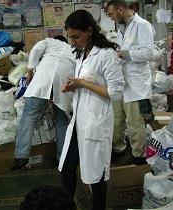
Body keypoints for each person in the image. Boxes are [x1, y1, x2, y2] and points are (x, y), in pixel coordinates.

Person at [58, 9, 125, 210]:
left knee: (96, 176)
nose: (72, 41)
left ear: (89, 31)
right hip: (79, 121)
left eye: (76, 37)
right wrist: (74, 86)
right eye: (70, 37)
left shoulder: (106, 55)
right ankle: (65, 206)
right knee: (67, 168)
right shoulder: (82, 54)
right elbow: (85, 82)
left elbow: (115, 93)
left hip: (96, 122)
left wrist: (82, 83)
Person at [11, 35, 76, 170]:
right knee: (61, 120)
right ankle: (62, 159)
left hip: (44, 79)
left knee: (29, 116)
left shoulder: (50, 41)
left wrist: (30, 70)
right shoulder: (72, 50)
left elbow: (35, 50)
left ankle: (21, 157)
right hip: (64, 83)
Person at [106, 0, 155, 165]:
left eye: (112, 14)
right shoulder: (121, 28)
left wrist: (123, 54)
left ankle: (138, 154)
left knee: (134, 122)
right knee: (116, 119)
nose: (112, 18)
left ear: (120, 10)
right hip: (120, 81)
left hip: (135, 83)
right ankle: (119, 149)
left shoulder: (142, 25)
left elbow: (148, 53)